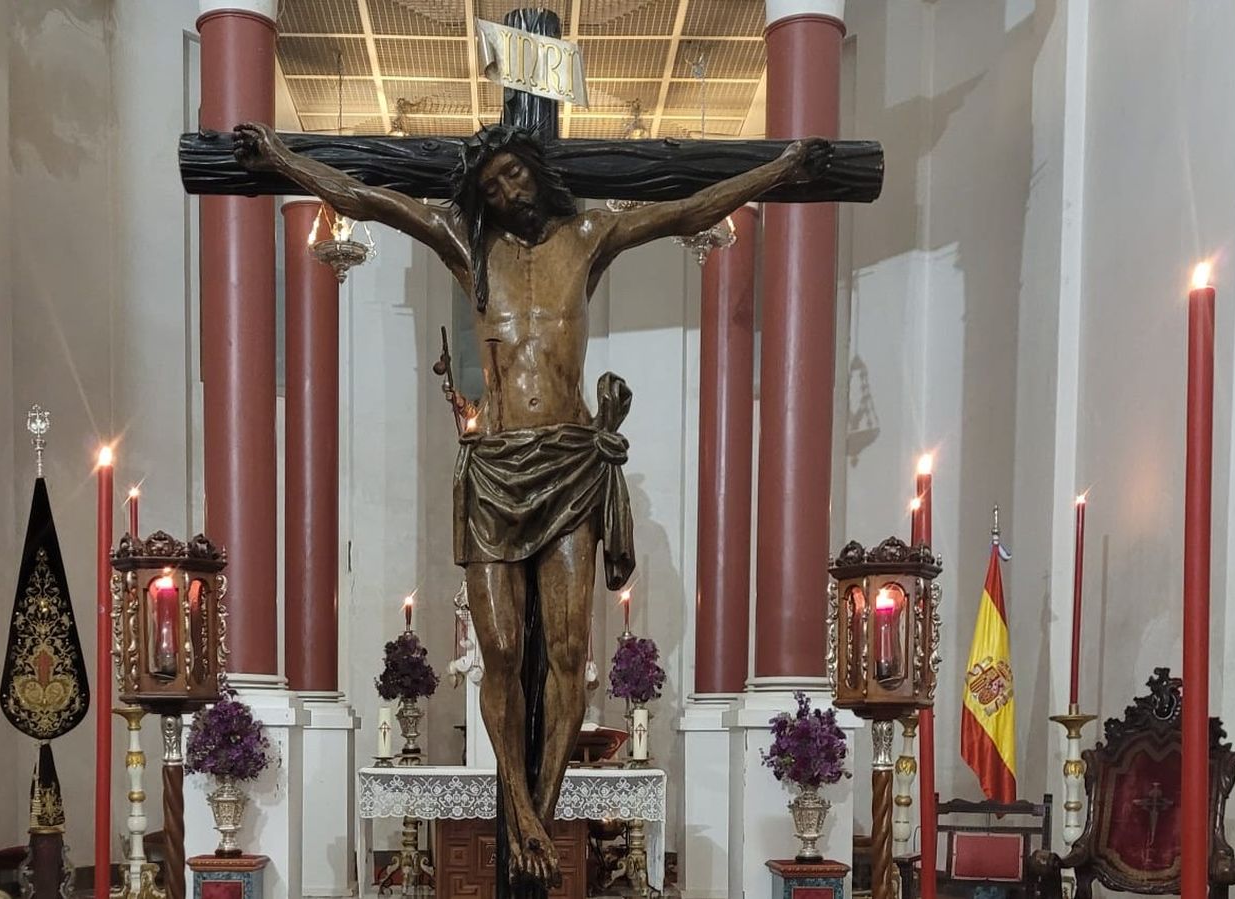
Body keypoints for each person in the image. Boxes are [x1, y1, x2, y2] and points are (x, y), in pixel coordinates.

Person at [235, 121, 830, 887]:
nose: (506, 193)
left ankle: (534, 819)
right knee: (506, 653)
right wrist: (281, 161)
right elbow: (366, 199)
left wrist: (780, 166)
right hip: (493, 470)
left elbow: (688, 209)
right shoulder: (467, 243)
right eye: (491, 186)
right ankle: (520, 808)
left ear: (536, 170)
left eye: (514, 175)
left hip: (569, 464)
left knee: (573, 653)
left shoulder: (589, 232)